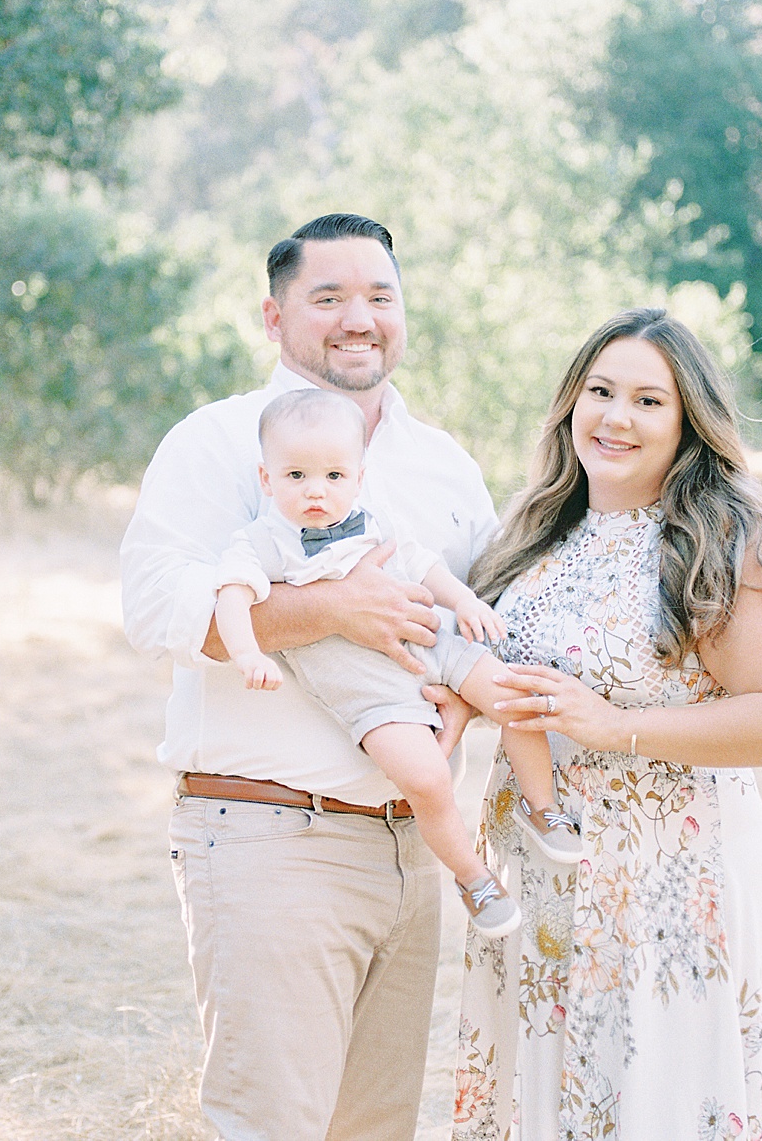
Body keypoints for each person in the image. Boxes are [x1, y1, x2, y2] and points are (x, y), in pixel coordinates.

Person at [120, 213, 497, 1141]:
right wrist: (330, 607)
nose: (358, 317)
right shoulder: (215, 443)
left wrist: (459, 700)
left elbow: (477, 616)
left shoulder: (444, 463)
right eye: (327, 297)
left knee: (373, 1131)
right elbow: (156, 607)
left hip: (413, 847)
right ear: (274, 315)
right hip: (271, 833)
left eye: (379, 296)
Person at [451, 307, 762, 1141]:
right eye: (601, 390)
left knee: (655, 1095)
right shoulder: (537, 530)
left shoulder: (723, 534)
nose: (617, 417)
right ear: (570, 403)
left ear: (688, 419)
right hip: (541, 872)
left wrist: (615, 724)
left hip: (668, 880)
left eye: (649, 400)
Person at [213, 387, 584, 938]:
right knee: (428, 779)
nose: (316, 492)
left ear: (358, 477)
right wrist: (247, 653)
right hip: (369, 691)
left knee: (514, 696)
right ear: (267, 480)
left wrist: (464, 601)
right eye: (296, 477)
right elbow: (231, 594)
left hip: (434, 641)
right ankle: (473, 877)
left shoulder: (373, 519)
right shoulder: (267, 542)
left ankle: (542, 804)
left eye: (333, 477)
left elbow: (423, 564)